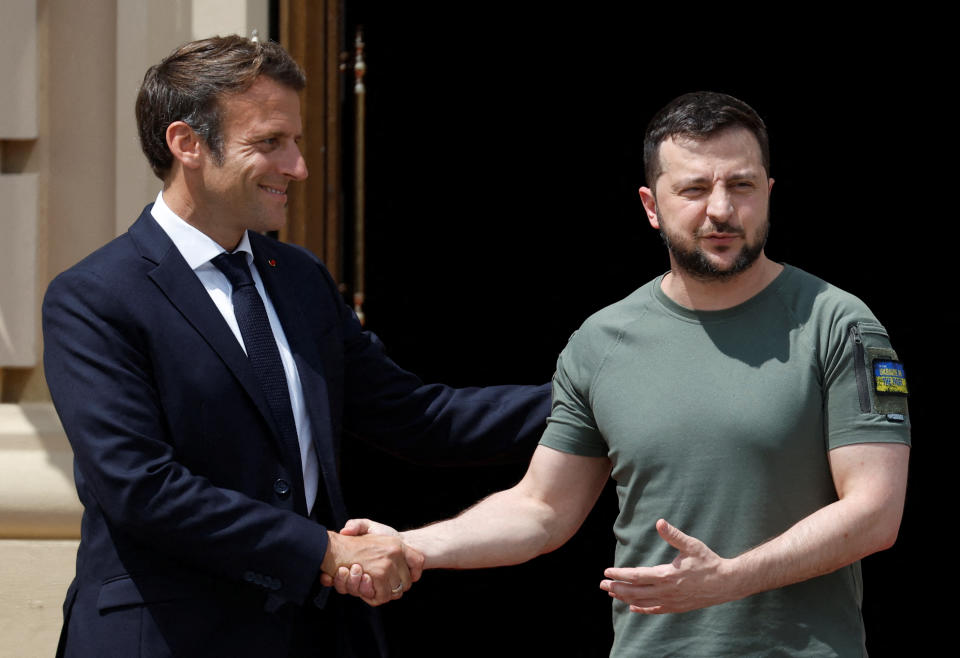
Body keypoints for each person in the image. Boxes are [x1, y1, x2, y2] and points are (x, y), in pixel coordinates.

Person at [334, 91, 911, 656]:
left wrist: (729, 579)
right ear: (650, 206)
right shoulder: (601, 342)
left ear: (769, 192)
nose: (721, 209)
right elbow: (541, 509)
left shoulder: (838, 323)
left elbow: (876, 513)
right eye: (693, 189)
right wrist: (409, 545)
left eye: (742, 185)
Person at [42, 36, 549, 658]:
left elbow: (418, 417)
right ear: (187, 144)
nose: (298, 167)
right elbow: (141, 488)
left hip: (317, 636)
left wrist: (595, 398)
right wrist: (324, 551)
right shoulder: (94, 297)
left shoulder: (299, 277)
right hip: (166, 639)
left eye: (297, 142)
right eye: (270, 143)